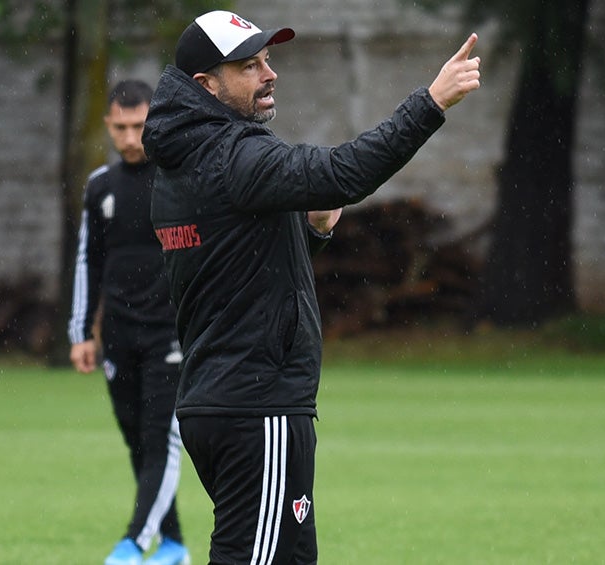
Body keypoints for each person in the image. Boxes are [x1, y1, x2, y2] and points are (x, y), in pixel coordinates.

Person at [142, 9, 481, 565]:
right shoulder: (236, 155)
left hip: (221, 404)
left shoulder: (181, 166)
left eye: (267, 59)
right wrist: (431, 103)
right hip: (259, 410)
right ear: (206, 85)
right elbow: (342, 172)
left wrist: (312, 233)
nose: (269, 73)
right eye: (249, 65)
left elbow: (238, 272)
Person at [68, 79, 190, 565]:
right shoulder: (100, 186)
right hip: (118, 335)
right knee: (138, 440)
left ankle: (134, 543)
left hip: (170, 335)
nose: (130, 137)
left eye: (139, 126)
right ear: (108, 126)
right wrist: (81, 333)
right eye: (120, 127)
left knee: (161, 437)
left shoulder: (177, 178)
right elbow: (87, 262)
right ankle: (175, 544)